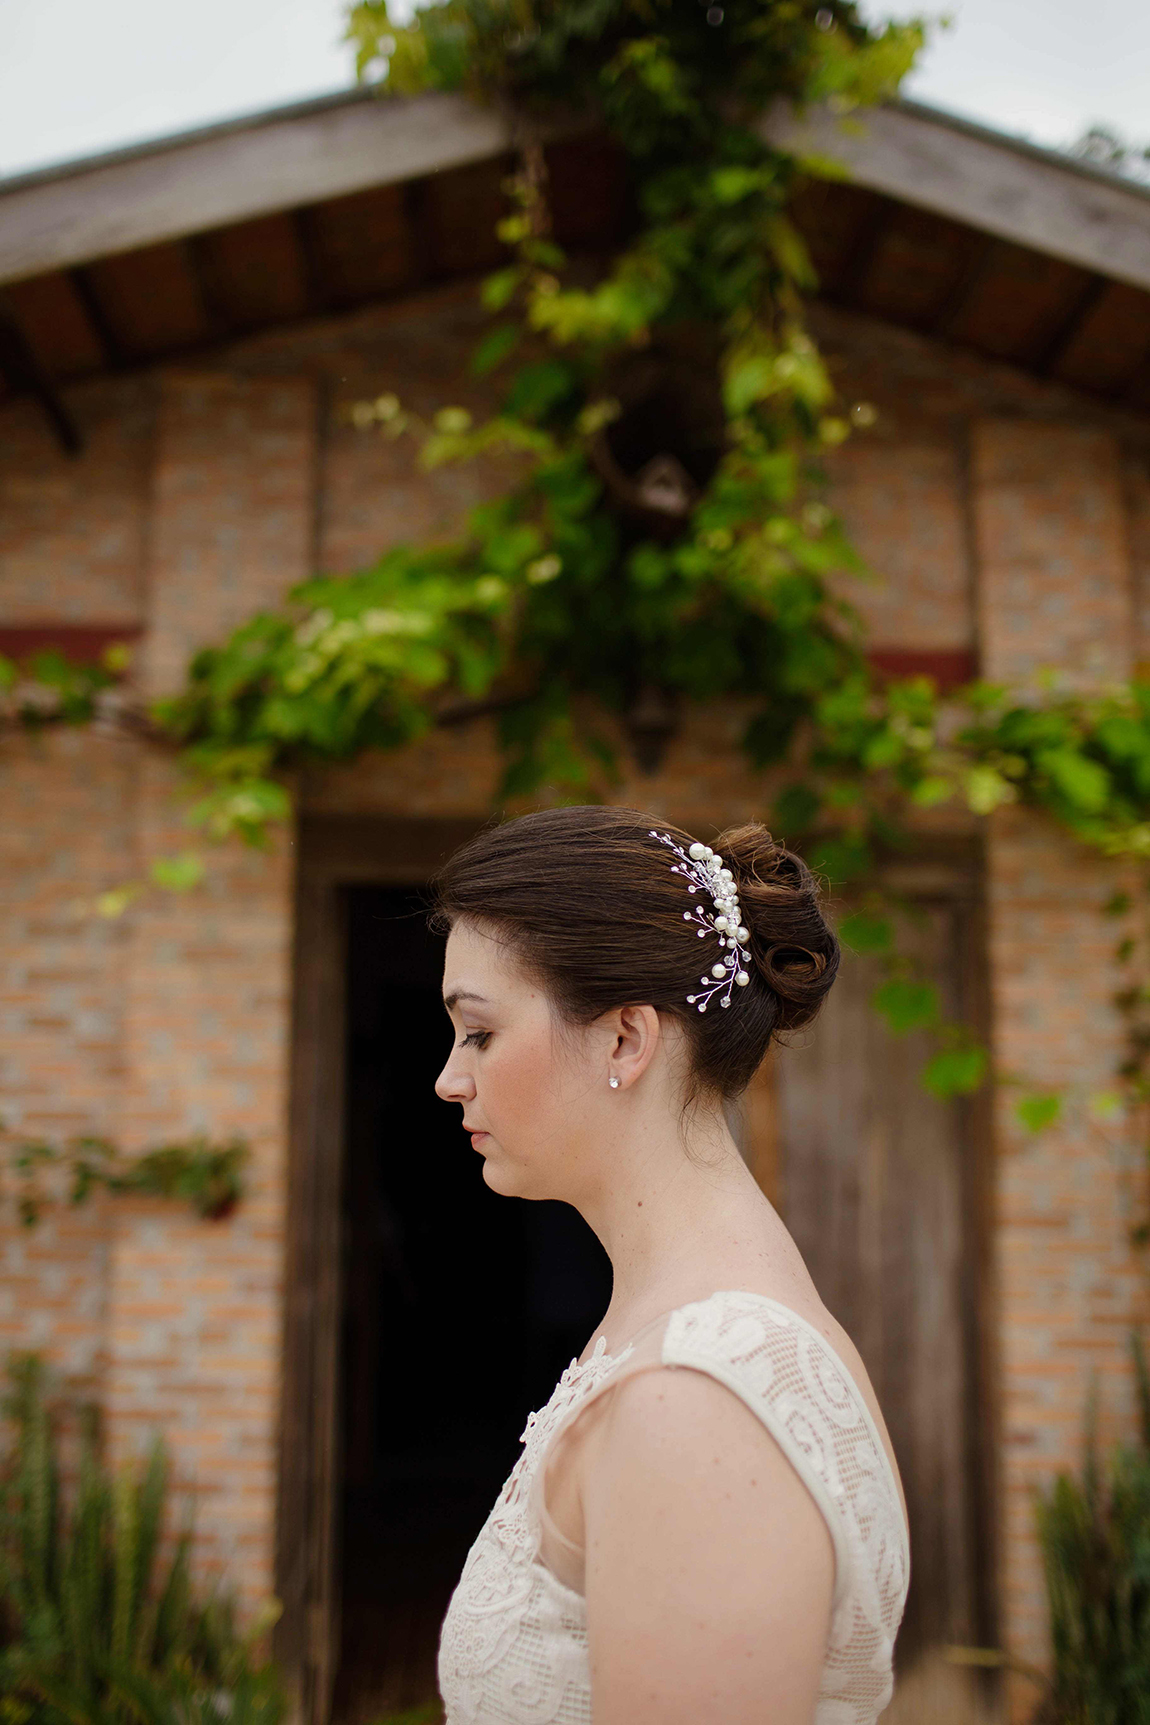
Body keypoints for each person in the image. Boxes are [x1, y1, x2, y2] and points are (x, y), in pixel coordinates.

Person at [433, 807, 909, 1725]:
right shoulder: (679, 1327)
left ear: (625, 1039)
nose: (450, 1077)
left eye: (479, 1032)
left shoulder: (701, 1396)